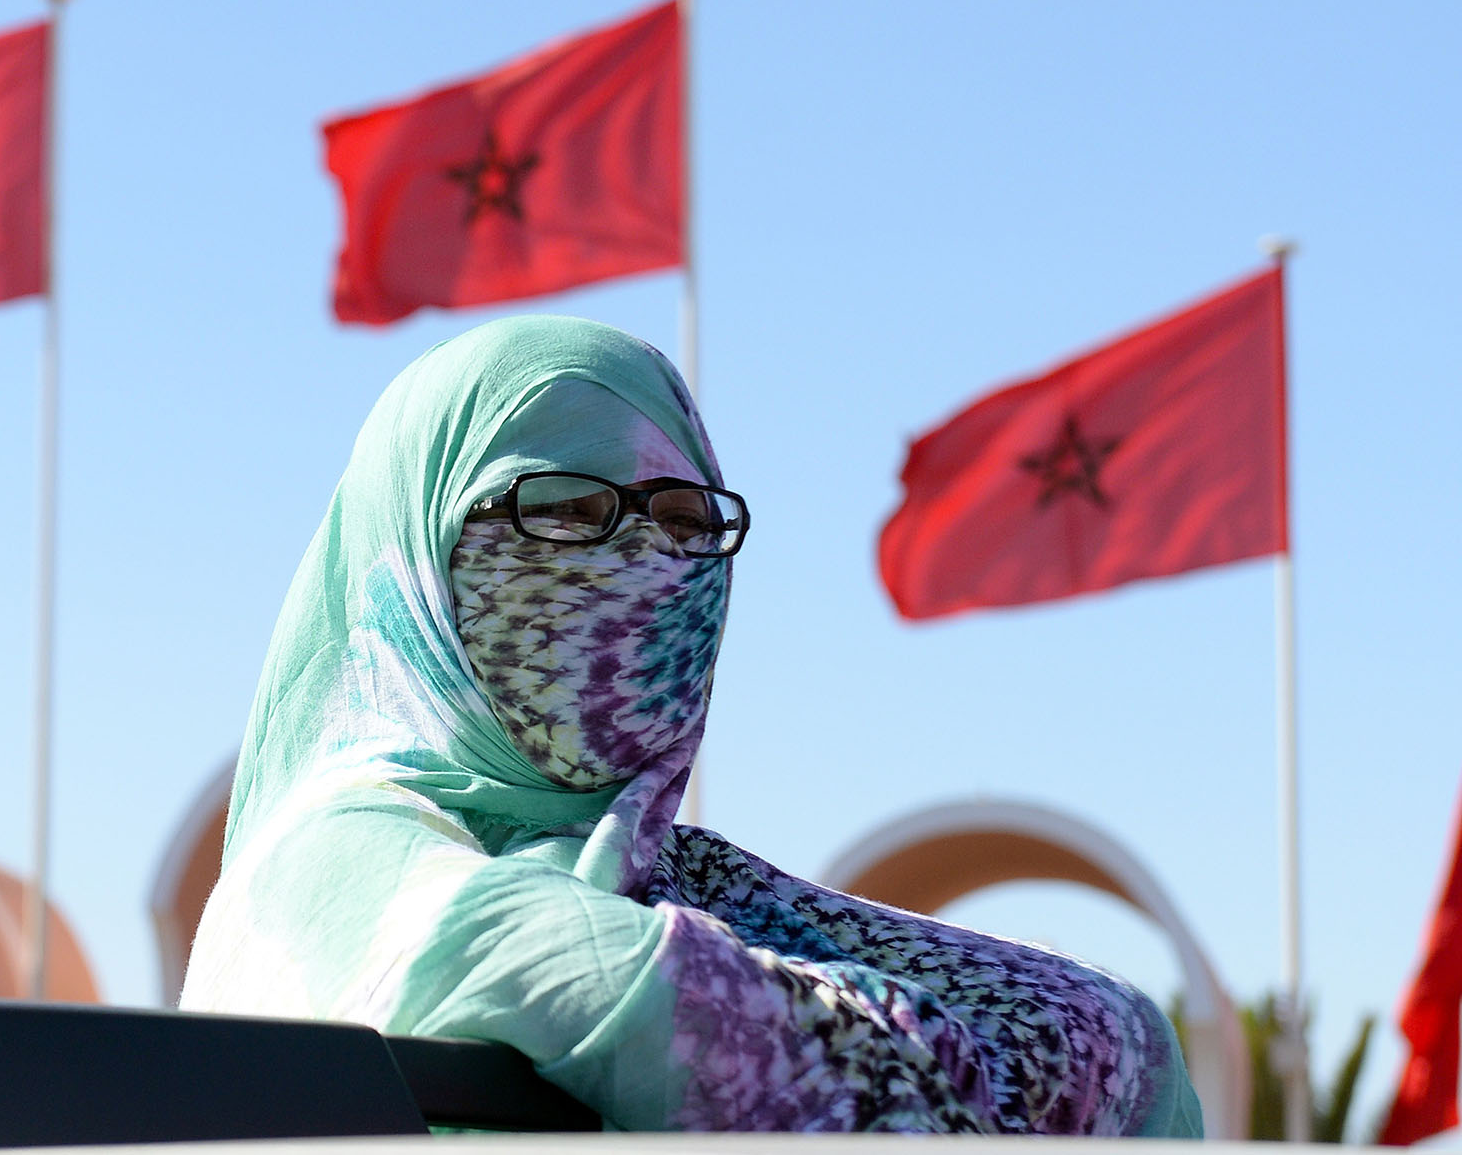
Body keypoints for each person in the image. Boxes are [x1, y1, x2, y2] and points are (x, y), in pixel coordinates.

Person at [180, 315, 1202, 1135]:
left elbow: (1123, 1036)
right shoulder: (325, 856)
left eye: (680, 522)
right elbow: (597, 986)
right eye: (566, 511)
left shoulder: (681, 879)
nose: (637, 564)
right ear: (416, 556)